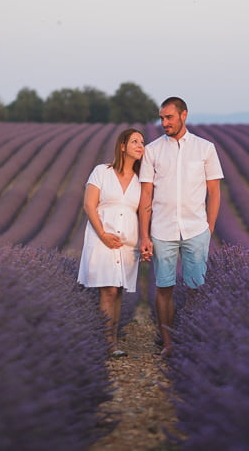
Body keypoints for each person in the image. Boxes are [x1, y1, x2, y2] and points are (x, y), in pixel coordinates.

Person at [139, 97, 223, 357]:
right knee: (164, 287)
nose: (164, 123)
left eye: (169, 117)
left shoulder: (205, 148)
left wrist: (209, 228)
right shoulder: (152, 150)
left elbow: (214, 192)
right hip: (162, 230)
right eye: (161, 118)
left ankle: (191, 338)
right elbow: (146, 196)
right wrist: (144, 235)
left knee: (196, 287)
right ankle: (168, 343)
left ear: (183, 115)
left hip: (195, 229)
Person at [78, 128, 145, 358]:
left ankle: (112, 341)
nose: (140, 145)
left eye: (142, 142)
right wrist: (103, 234)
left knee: (117, 291)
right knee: (108, 290)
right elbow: (89, 204)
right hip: (102, 239)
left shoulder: (140, 180)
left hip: (127, 242)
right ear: (122, 146)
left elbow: (144, 212)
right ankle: (107, 343)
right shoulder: (102, 172)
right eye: (134, 141)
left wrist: (145, 239)